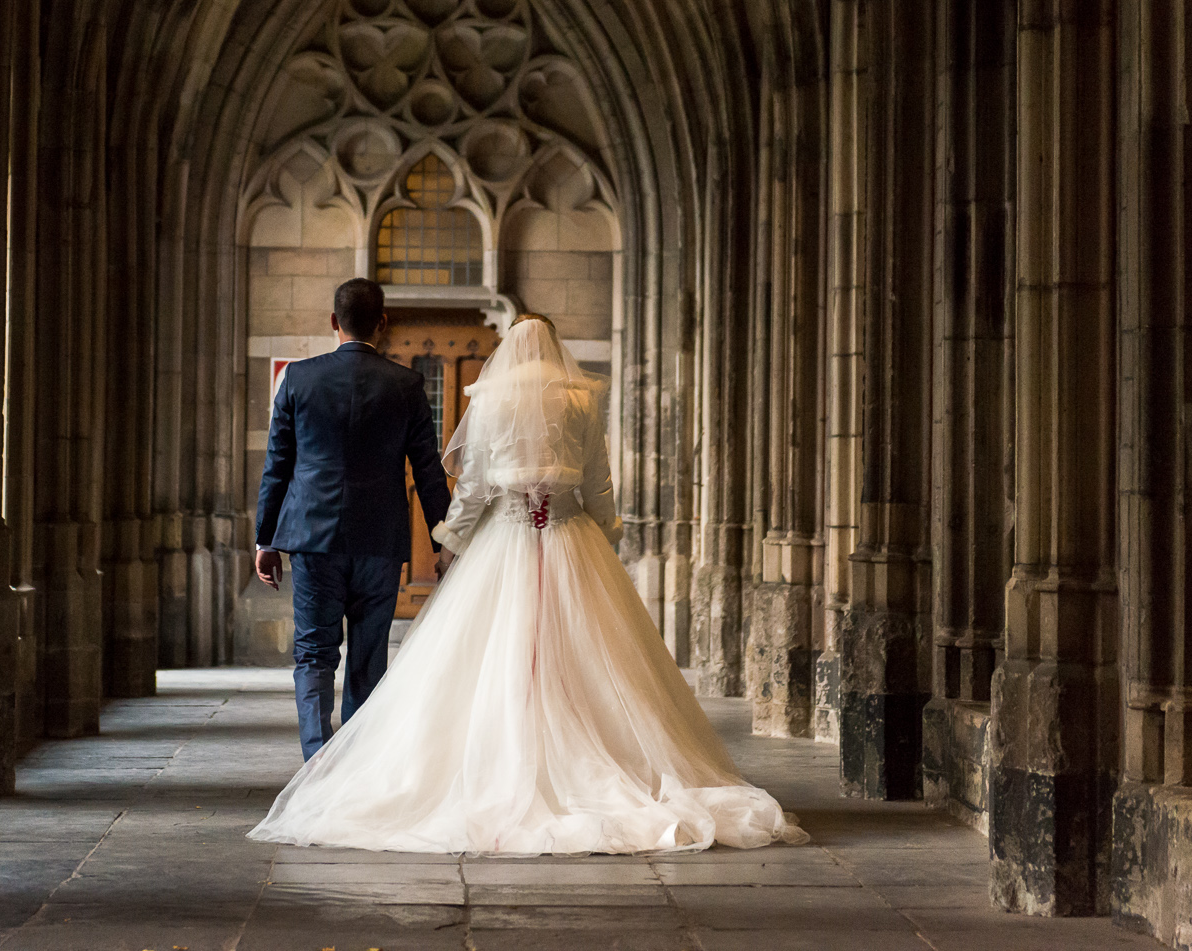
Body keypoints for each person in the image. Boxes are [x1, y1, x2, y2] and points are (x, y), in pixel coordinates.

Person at [249, 314, 808, 855]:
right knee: (583, 657)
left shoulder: (492, 398)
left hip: (496, 541)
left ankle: (341, 761)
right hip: (570, 538)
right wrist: (606, 530)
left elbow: (473, 487)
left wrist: (451, 541)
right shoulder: (580, 396)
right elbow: (598, 479)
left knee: (465, 655)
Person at [254, 278, 453, 761]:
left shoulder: (298, 379)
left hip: (311, 536)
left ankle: (316, 764)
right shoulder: (406, 384)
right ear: (383, 323)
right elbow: (428, 468)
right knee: (368, 658)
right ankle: (354, 770)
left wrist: (265, 539)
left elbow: (277, 462)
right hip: (379, 539)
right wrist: (445, 537)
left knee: (314, 652)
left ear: (332, 321)